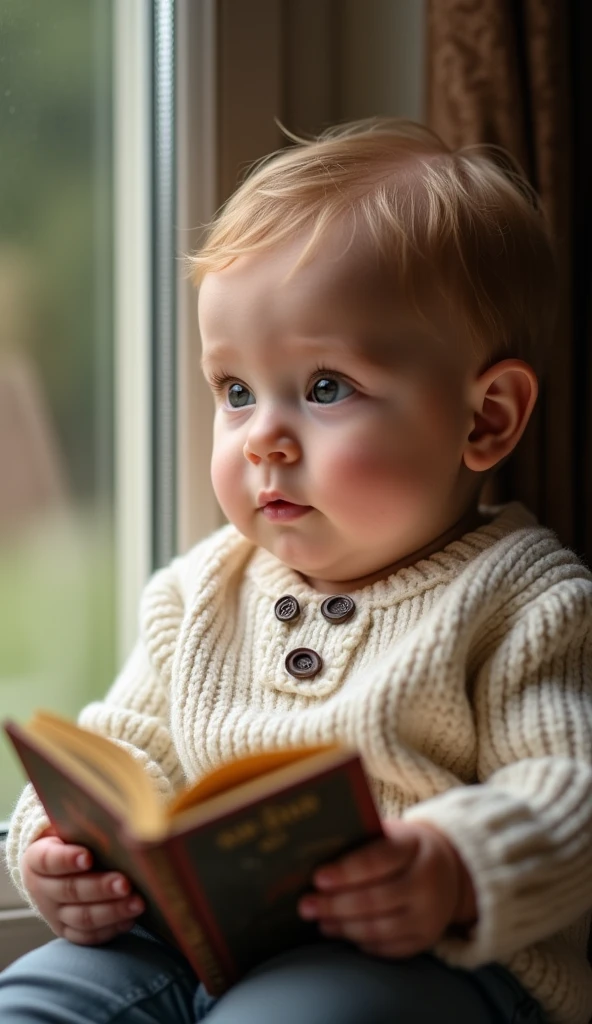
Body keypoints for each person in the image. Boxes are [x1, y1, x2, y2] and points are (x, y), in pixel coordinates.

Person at [1, 118, 591, 1024]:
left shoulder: (527, 601)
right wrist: (56, 852)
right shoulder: (201, 589)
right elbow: (121, 751)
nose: (262, 437)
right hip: (181, 943)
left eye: (324, 388)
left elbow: (568, 795)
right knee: (36, 1002)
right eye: (234, 391)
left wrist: (452, 866)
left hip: (422, 963)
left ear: (486, 419)